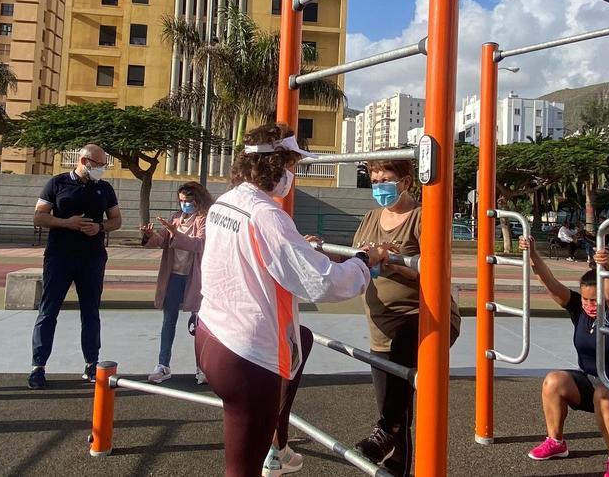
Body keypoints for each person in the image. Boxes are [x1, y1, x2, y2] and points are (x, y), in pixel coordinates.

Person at [196, 123, 388, 477]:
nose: (292, 175)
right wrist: (365, 261)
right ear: (274, 166)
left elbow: (254, 257)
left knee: (303, 340)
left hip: (212, 335)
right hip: (247, 355)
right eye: (292, 166)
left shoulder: (225, 203)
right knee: (241, 470)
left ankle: (278, 445)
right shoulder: (267, 215)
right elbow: (321, 283)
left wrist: (298, 246)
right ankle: (275, 448)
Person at [347, 157, 461, 476]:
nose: (379, 186)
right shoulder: (370, 217)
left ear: (406, 182)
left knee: (394, 413)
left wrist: (396, 265)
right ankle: (395, 458)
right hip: (380, 330)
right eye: (374, 180)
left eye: (386, 180)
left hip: (425, 321)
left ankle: (388, 438)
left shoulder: (423, 217)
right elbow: (354, 258)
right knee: (394, 409)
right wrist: (320, 251)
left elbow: (439, 274)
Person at [520, 236, 609, 477]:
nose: (589, 305)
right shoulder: (578, 308)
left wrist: (607, 267)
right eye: (585, 299)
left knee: (604, 395)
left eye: (594, 300)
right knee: (553, 380)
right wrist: (533, 253)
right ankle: (556, 443)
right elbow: (550, 283)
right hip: (592, 383)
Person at [28, 144, 122, 389]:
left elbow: (116, 220)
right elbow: (39, 216)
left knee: (90, 312)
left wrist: (100, 227)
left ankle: (92, 363)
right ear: (84, 160)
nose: (101, 169)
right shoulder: (57, 183)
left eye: (104, 165)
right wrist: (66, 222)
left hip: (92, 258)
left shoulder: (104, 188)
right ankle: (38, 366)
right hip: (59, 256)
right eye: (98, 164)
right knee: (48, 311)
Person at [142, 181, 212, 384]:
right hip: (173, 276)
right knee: (168, 322)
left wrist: (176, 233)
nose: (185, 205)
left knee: (198, 325)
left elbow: (200, 244)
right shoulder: (175, 217)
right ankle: (163, 365)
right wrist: (150, 235)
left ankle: (202, 368)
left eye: (188, 201)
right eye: (182, 201)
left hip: (194, 278)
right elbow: (163, 240)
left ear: (198, 200)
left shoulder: (204, 219)